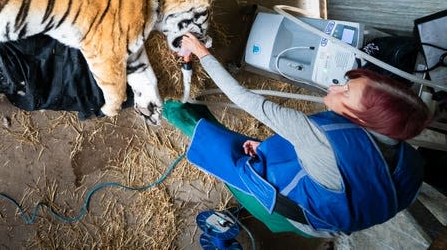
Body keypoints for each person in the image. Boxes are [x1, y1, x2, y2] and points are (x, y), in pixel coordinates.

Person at [164, 33, 433, 237]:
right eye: (345, 84)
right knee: (267, 154)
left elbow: (242, 98)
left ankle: (170, 107)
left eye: (346, 92)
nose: (334, 86)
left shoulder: (321, 138)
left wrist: (200, 51)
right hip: (319, 222)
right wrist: (276, 151)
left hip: (283, 206)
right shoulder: (411, 161)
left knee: (221, 150)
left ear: (363, 120)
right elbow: (351, 175)